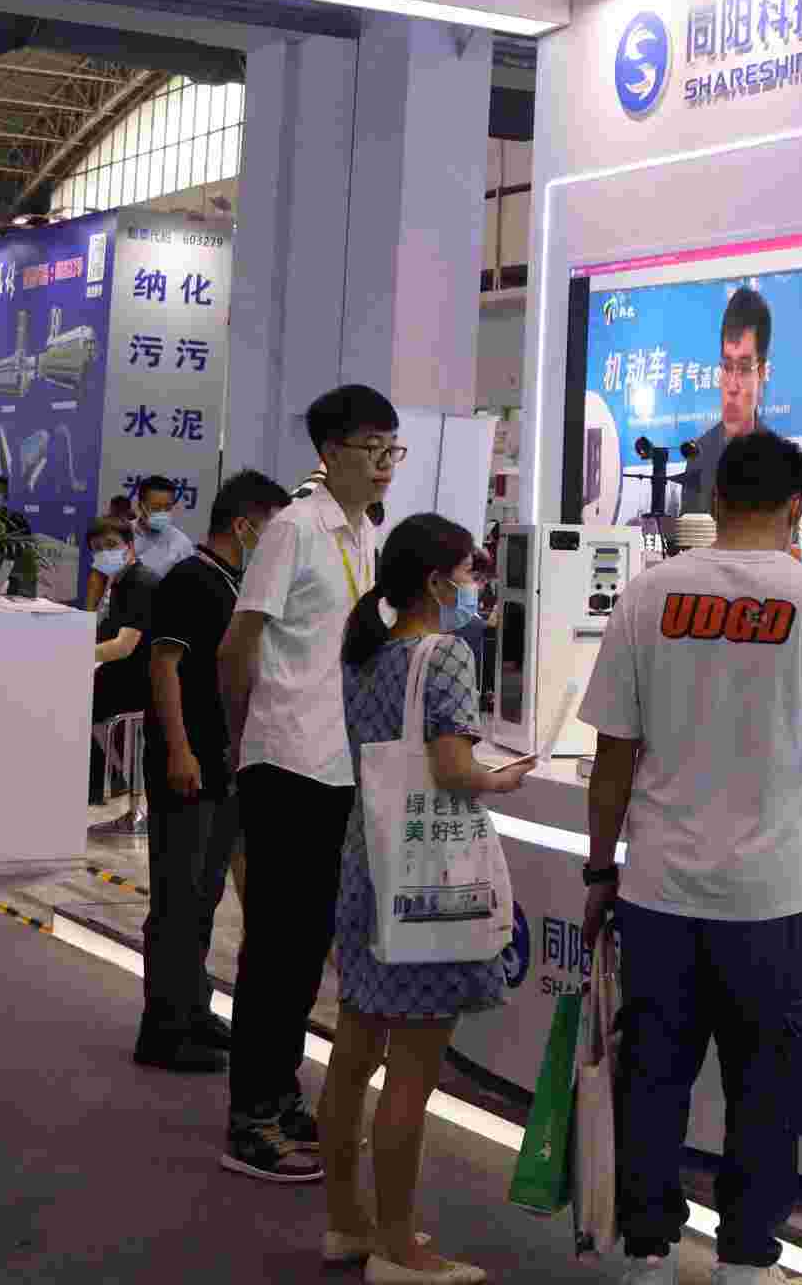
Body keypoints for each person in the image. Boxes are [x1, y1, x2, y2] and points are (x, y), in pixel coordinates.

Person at [580, 429, 802, 1285]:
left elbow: (613, 756)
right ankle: (747, 1261)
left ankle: (647, 1252)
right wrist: (801, 703)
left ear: (713, 501)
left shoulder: (650, 594)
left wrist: (600, 869)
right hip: (772, 897)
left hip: (659, 889)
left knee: (653, 1079)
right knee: (767, 1090)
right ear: (797, 506)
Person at [321, 513, 536, 1282]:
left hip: (366, 861)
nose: (476, 587)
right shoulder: (443, 655)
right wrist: (500, 778)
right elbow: (451, 768)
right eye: (470, 573)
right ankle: (399, 1246)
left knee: (354, 1054)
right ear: (439, 581)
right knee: (412, 1070)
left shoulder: (365, 653)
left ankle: (346, 1224)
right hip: (427, 879)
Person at [219, 383, 403, 1182]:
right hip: (286, 761)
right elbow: (238, 644)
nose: (386, 463)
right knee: (277, 947)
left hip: (338, 766)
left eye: (393, 449)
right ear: (330, 454)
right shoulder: (294, 528)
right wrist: (245, 743)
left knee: (306, 950)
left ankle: (281, 1091)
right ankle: (251, 1118)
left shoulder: (364, 533)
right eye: (372, 449)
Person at [138, 470, 292, 1072]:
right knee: (177, 896)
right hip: (189, 760)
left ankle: (192, 1006)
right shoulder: (191, 580)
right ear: (244, 524)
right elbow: (164, 666)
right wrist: (179, 750)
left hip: (223, 763)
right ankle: (163, 1028)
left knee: (203, 894)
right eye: (272, 529)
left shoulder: (234, 584)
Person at [674, 285, 772, 519]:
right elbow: (688, 539)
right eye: (727, 367)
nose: (733, 386)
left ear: (761, 373)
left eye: (744, 368)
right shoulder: (698, 457)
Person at [88, 517, 157, 805]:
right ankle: (106, 778)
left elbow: (124, 646)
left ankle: (100, 782)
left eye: (111, 545)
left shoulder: (140, 582)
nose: (104, 552)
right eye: (97, 548)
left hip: (138, 678)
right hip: (121, 671)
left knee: (72, 700)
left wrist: (75, 655)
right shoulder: (119, 581)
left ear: (129, 546)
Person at [133, 473, 198, 577]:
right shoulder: (122, 534)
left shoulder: (182, 544)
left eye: (168, 508)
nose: (162, 513)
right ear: (141, 506)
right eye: (156, 508)